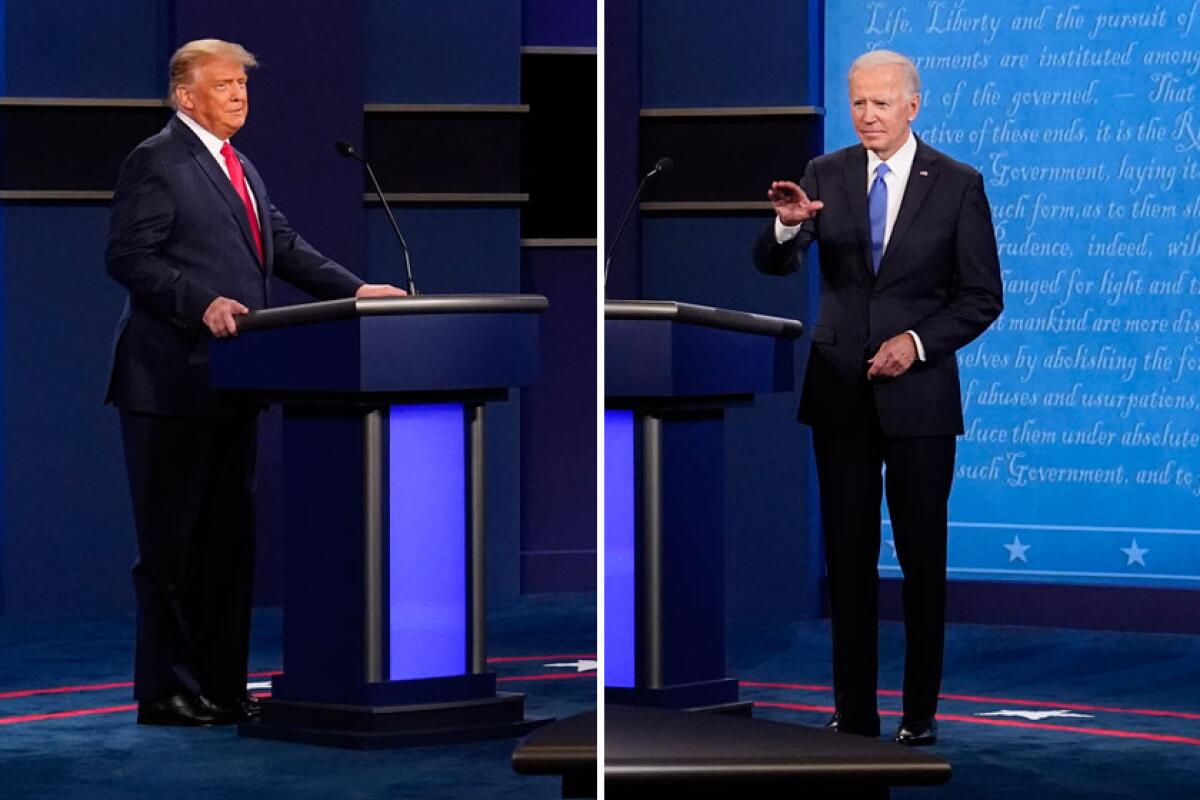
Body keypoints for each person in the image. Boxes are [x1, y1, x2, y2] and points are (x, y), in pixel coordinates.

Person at [106, 38, 406, 726]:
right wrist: (198, 302)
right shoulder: (157, 161)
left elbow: (287, 248)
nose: (238, 95)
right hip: (167, 386)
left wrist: (360, 291)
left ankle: (220, 683)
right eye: (223, 84)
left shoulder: (239, 165)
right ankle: (167, 691)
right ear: (186, 96)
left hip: (234, 381)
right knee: (173, 549)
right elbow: (128, 258)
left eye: (242, 83)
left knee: (225, 550)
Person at [752, 50, 1003, 746]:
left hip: (919, 399)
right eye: (858, 102)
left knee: (922, 560)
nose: (867, 115)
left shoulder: (956, 184)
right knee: (849, 557)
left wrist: (917, 343)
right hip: (839, 397)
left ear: (913, 106)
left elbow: (982, 297)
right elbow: (773, 262)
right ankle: (854, 714)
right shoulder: (823, 176)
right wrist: (787, 225)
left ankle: (918, 715)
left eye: (881, 103)